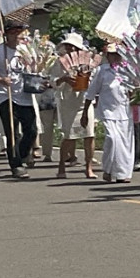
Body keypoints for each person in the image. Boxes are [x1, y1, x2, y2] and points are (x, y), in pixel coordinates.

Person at [0, 20, 39, 179]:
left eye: (19, 32)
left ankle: (21, 154)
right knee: (12, 132)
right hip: (6, 97)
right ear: (6, 34)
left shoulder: (25, 50)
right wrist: (2, 80)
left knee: (32, 130)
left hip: (25, 96)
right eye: (13, 32)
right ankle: (15, 165)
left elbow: (33, 69)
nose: (16, 35)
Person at [86, 40, 135, 183]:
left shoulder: (128, 70)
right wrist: (85, 113)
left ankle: (122, 173)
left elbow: (133, 91)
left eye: (118, 54)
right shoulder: (102, 71)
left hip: (125, 112)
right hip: (108, 111)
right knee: (112, 140)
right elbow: (91, 92)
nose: (116, 57)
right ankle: (107, 169)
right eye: (113, 55)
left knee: (125, 144)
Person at [54, 32, 97, 181]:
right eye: (68, 46)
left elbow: (95, 81)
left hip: (85, 101)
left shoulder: (88, 62)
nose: (70, 49)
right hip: (68, 102)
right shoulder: (59, 62)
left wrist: (86, 78)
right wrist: (64, 79)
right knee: (69, 136)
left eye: (73, 47)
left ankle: (89, 167)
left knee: (89, 134)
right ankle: (61, 165)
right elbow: (52, 82)